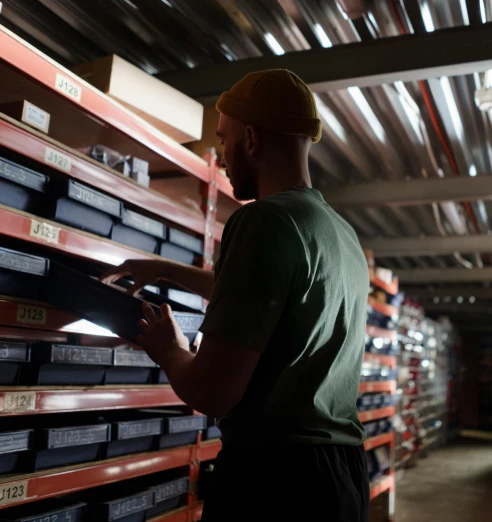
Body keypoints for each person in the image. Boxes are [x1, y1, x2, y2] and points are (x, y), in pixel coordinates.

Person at [102, 69, 370, 521]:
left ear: (251, 140)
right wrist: (164, 269)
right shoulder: (339, 235)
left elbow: (213, 392)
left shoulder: (262, 221)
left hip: (276, 482)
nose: (223, 157)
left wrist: (171, 351)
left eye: (224, 141)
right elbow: (274, 296)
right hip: (340, 478)